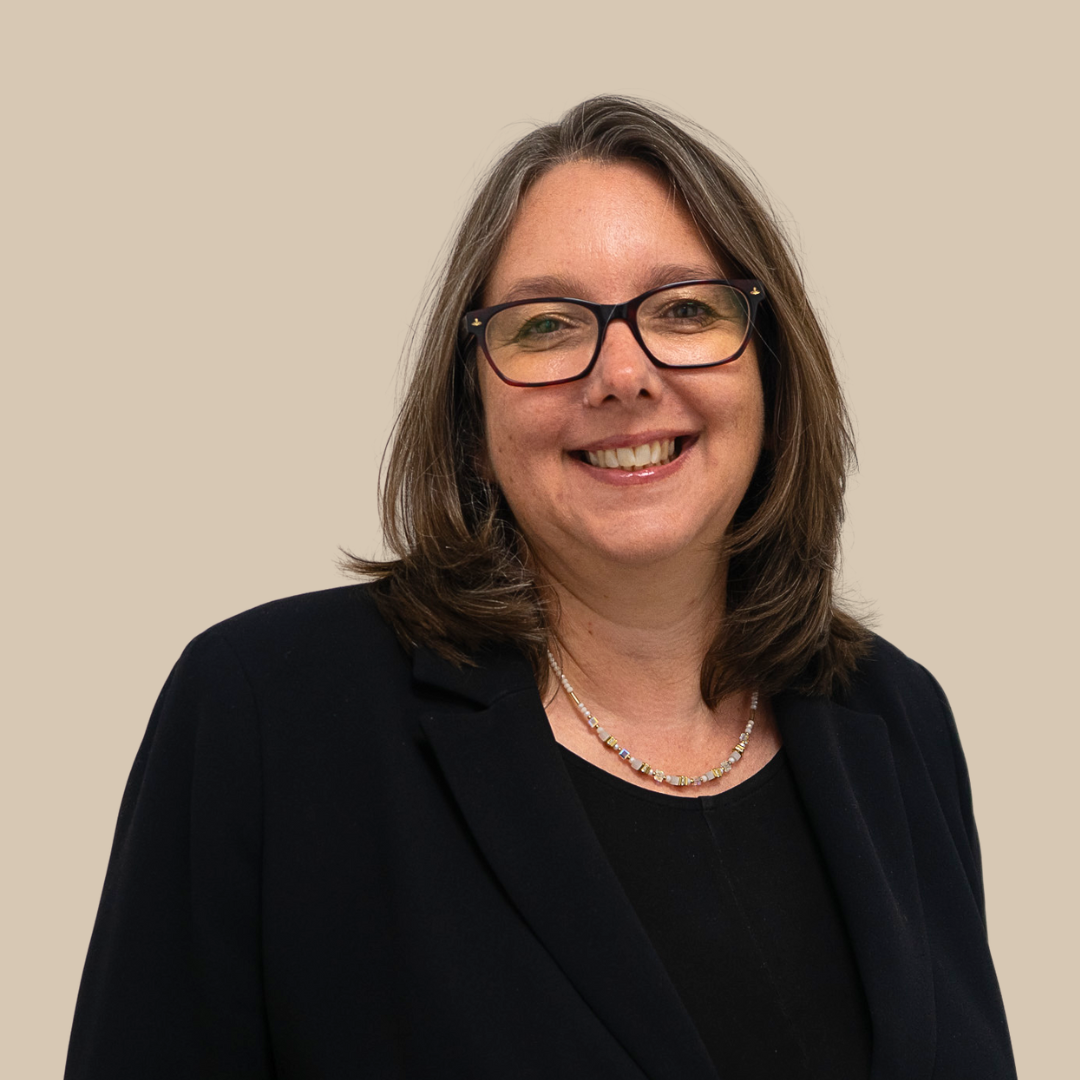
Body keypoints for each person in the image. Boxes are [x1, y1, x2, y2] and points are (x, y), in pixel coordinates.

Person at [64, 96, 1016, 1080]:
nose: (622, 373)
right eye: (547, 326)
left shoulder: (893, 717)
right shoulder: (268, 712)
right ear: (471, 411)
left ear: (770, 374)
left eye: (685, 310)